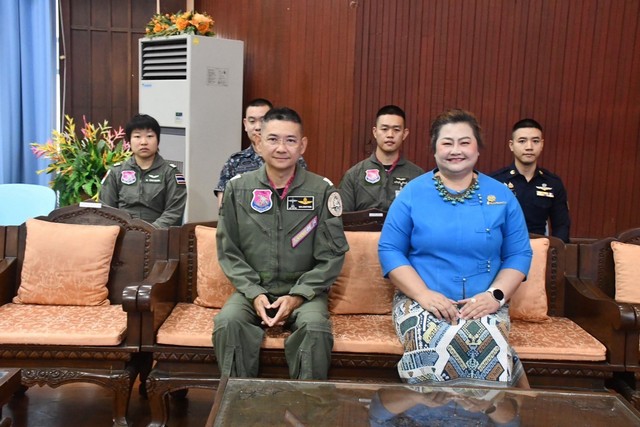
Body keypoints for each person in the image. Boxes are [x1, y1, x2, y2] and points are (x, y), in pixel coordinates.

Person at [378, 109, 532, 387]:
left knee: (486, 338)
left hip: (484, 303)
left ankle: (482, 410)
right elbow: (390, 249)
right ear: (435, 149)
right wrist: (423, 295)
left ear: (477, 148)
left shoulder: (501, 195)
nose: (456, 150)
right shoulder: (412, 193)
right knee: (435, 338)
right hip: (421, 302)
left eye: (464, 142)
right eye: (447, 143)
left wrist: (495, 296)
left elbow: (518, 254)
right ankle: (430, 410)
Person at [214, 107, 348, 380]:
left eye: (290, 140)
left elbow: (331, 256)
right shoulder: (238, 189)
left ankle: (305, 404)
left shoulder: (321, 191)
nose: (281, 148)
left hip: (305, 293)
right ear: (258, 143)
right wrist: (254, 292)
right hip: (252, 291)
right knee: (228, 323)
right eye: (273, 139)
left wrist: (298, 295)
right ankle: (239, 401)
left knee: (315, 329)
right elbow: (228, 250)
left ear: (303, 145)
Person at [214, 98, 308, 205]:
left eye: (263, 120)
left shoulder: (293, 159)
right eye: (252, 121)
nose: (258, 127)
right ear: (245, 124)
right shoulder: (235, 161)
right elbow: (224, 205)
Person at [490, 118, 570, 242]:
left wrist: (554, 250)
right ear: (511, 145)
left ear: (542, 144)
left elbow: (561, 226)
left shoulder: (553, 183)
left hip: (539, 248)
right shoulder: (496, 182)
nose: (529, 147)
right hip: (503, 247)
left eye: (535, 141)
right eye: (522, 141)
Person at [100, 114, 187, 228]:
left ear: (158, 140)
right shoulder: (116, 172)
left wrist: (149, 231)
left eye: (150, 136)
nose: (144, 142)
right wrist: (124, 230)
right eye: (137, 136)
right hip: (122, 233)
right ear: (129, 141)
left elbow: (174, 212)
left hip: (158, 234)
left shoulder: (170, 173)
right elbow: (106, 208)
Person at [339, 105, 424, 212]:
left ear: (404, 134)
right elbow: (343, 217)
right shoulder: (354, 175)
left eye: (396, 130)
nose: (390, 135)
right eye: (384, 129)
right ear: (375, 132)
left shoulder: (417, 176)